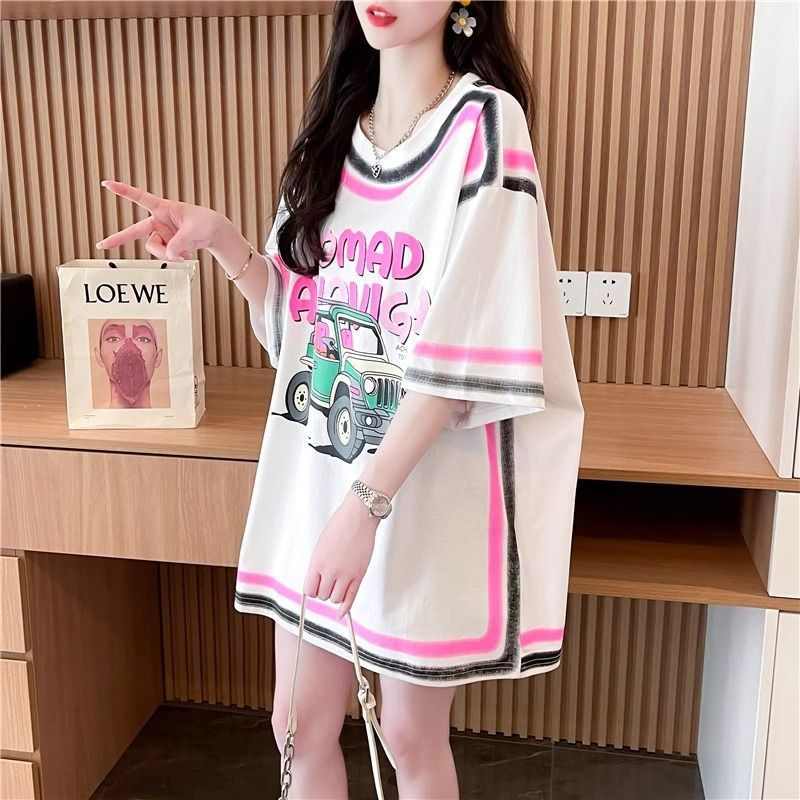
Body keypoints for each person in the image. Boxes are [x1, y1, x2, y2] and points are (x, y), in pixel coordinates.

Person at [94, 1, 584, 796]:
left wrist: (366, 508)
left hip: (418, 487)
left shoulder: (485, 127)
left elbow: (463, 350)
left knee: (409, 737)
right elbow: (298, 328)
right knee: (296, 722)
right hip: (318, 478)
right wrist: (225, 243)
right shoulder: (332, 137)